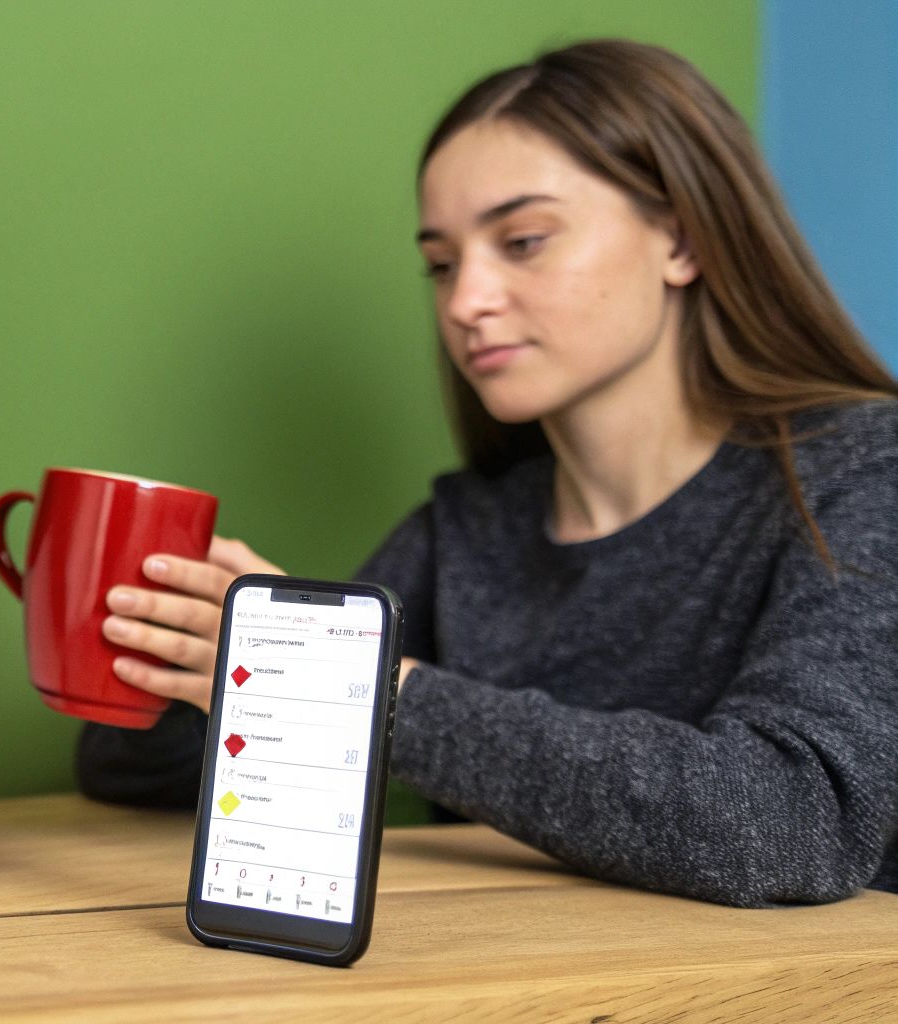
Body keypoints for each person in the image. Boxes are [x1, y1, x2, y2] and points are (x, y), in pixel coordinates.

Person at [76, 38, 898, 908]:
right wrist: (180, 649)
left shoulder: (864, 473)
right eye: (441, 264)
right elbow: (134, 772)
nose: (465, 302)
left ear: (683, 240)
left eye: (524, 241)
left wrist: (362, 691)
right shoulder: (468, 533)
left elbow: (796, 823)